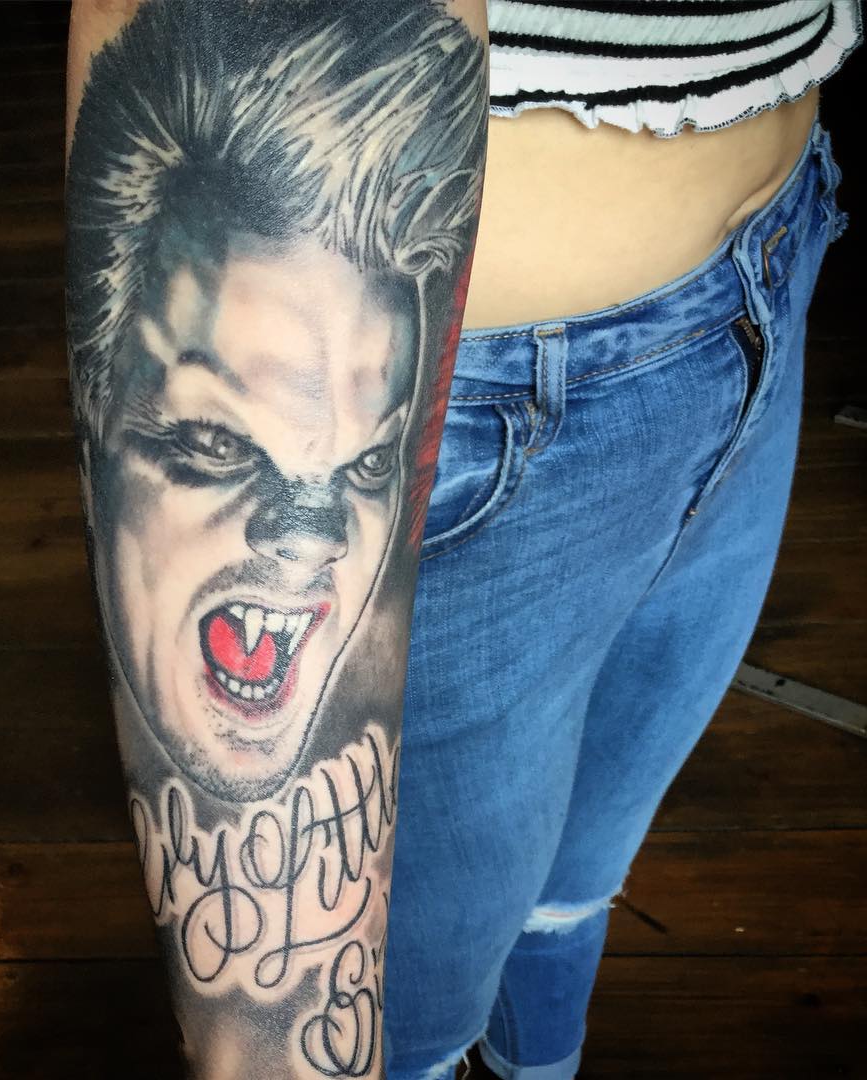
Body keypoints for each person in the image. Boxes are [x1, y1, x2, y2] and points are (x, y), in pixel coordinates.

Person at [64, 2, 861, 1077]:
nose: (300, 529)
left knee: (576, 880)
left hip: (771, 267)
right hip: (489, 407)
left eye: (348, 473)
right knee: (414, 1028)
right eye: (212, 444)